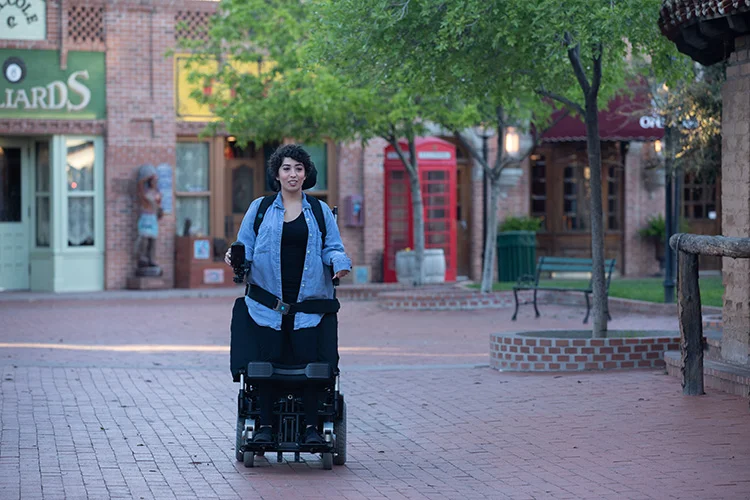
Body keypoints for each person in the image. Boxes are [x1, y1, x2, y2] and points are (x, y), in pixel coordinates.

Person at [225, 144, 351, 445]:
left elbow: (333, 247)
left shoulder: (320, 211)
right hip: (268, 304)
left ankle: (311, 430)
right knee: (265, 365)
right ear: (277, 174)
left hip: (309, 306)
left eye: (298, 168)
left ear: (306, 173)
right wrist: (235, 256)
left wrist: (339, 265)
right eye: (286, 168)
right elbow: (245, 245)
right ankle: (265, 427)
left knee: (311, 366)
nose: (292, 174)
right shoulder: (260, 209)